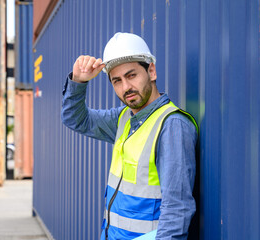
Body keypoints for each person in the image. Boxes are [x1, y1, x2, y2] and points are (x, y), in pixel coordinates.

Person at [61, 32, 198, 240]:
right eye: (117, 81)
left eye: (131, 75)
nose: (126, 87)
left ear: (151, 71)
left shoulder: (171, 126)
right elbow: (76, 119)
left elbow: (177, 209)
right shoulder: (124, 118)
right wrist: (78, 82)